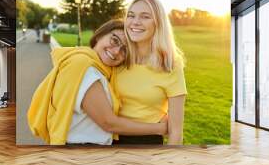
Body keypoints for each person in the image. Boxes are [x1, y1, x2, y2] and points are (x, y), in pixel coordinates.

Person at [28, 20, 167, 145]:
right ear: (100, 35)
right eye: (115, 40)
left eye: (125, 50)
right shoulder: (85, 68)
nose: (116, 51)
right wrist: (160, 128)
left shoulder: (100, 69)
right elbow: (109, 123)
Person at [114, 0, 187, 145]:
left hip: (146, 143)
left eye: (145, 17)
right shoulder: (117, 57)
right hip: (106, 139)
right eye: (131, 15)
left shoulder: (171, 65)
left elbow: (175, 132)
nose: (135, 22)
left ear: (158, 23)